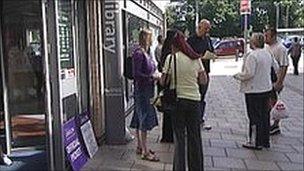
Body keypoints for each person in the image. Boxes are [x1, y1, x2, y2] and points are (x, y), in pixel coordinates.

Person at [161, 31, 207, 171]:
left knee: (180, 138)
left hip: (178, 101)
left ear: (174, 45)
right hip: (194, 101)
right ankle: (196, 168)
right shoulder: (195, 58)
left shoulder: (171, 58)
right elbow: (203, 80)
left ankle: (179, 168)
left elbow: (164, 81)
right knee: (194, 136)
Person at [233, 33, 279, 150]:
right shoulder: (268, 54)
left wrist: (238, 76)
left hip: (253, 90)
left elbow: (249, 73)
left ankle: (254, 141)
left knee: (254, 116)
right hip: (266, 89)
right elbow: (276, 67)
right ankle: (265, 140)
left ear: (253, 42)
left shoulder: (252, 56)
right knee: (265, 115)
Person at [130, 29, 160, 161]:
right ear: (146, 38)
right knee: (143, 118)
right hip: (142, 90)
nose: (153, 39)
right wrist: (152, 76)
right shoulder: (139, 53)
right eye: (151, 37)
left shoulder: (146, 52)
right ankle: (145, 151)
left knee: (139, 117)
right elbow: (136, 74)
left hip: (146, 89)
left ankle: (140, 146)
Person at [187, 19, 213, 130]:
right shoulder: (191, 40)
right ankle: (192, 120)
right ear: (199, 27)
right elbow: (188, 54)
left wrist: (212, 55)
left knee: (202, 96)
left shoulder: (207, 39)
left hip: (205, 71)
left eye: (208, 29)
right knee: (194, 97)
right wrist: (199, 56)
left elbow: (212, 50)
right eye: (205, 28)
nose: (207, 31)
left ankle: (200, 120)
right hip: (194, 72)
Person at [264, 26, 289, 135]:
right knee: (269, 103)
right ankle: (270, 123)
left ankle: (275, 125)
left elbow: (284, 66)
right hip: (267, 81)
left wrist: (279, 82)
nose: (265, 38)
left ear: (274, 36)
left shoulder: (280, 48)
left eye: (267, 36)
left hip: (275, 81)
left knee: (274, 103)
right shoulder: (267, 47)